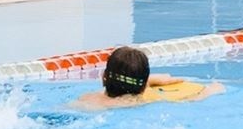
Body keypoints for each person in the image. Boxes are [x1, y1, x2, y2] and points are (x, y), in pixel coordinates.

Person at [72, 46, 223, 111]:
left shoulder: (88, 98)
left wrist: (151, 80)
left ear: (103, 77)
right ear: (144, 87)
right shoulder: (144, 101)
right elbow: (190, 99)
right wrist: (211, 90)